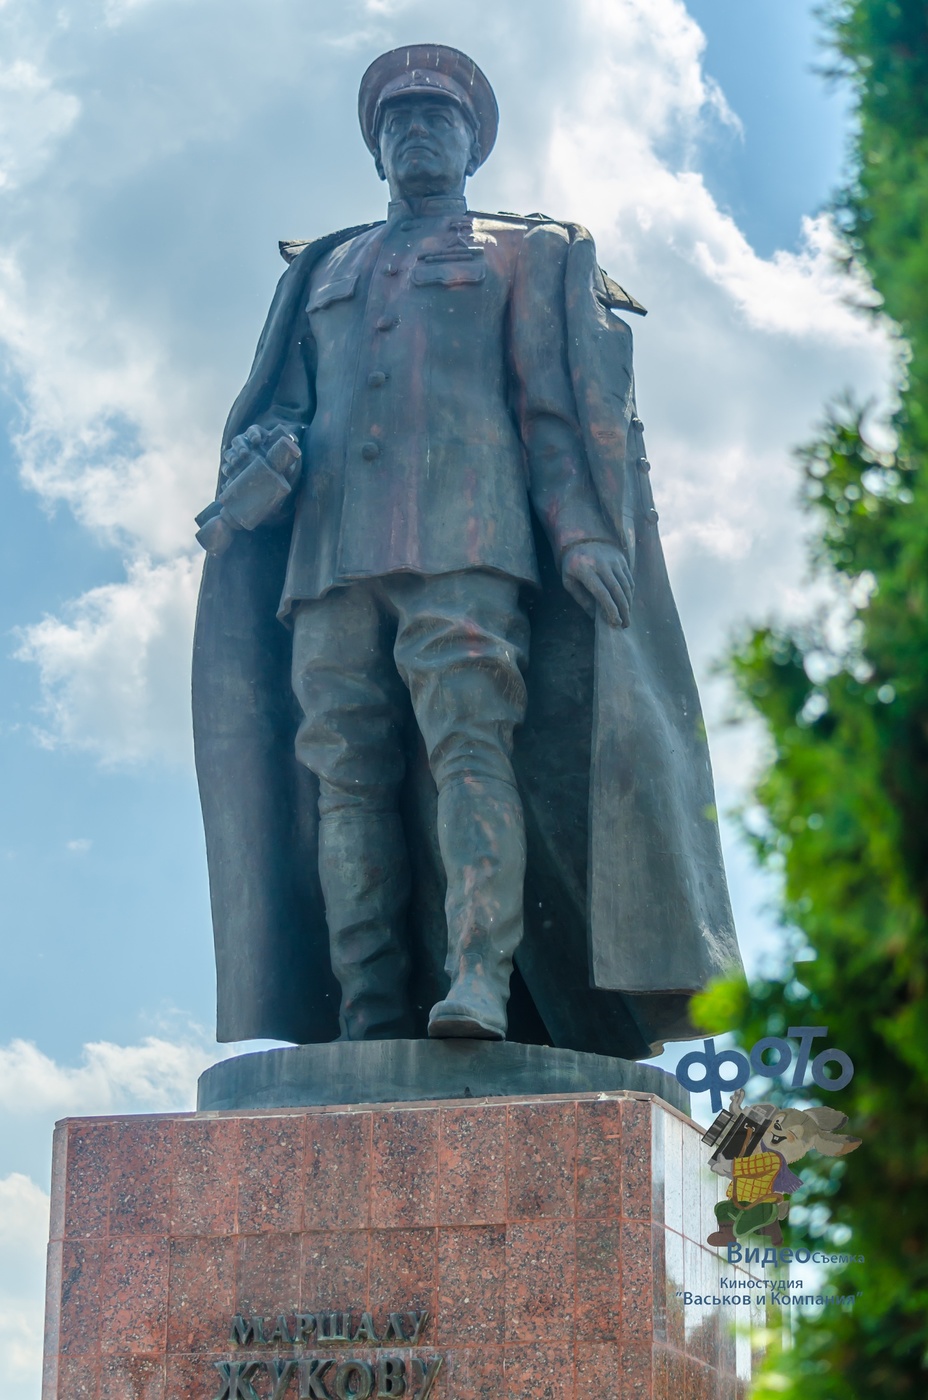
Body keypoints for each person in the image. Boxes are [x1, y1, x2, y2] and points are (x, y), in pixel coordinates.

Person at [193, 44, 741, 1056]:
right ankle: (366, 1009)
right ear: (376, 149)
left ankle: (478, 980)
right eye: (397, 122)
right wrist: (260, 457)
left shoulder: (524, 252)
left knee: (468, 751)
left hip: (470, 541)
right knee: (344, 776)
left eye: (436, 121)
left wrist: (580, 529)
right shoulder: (323, 266)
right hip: (327, 556)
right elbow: (286, 403)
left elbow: (551, 406)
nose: (416, 133)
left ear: (471, 142)